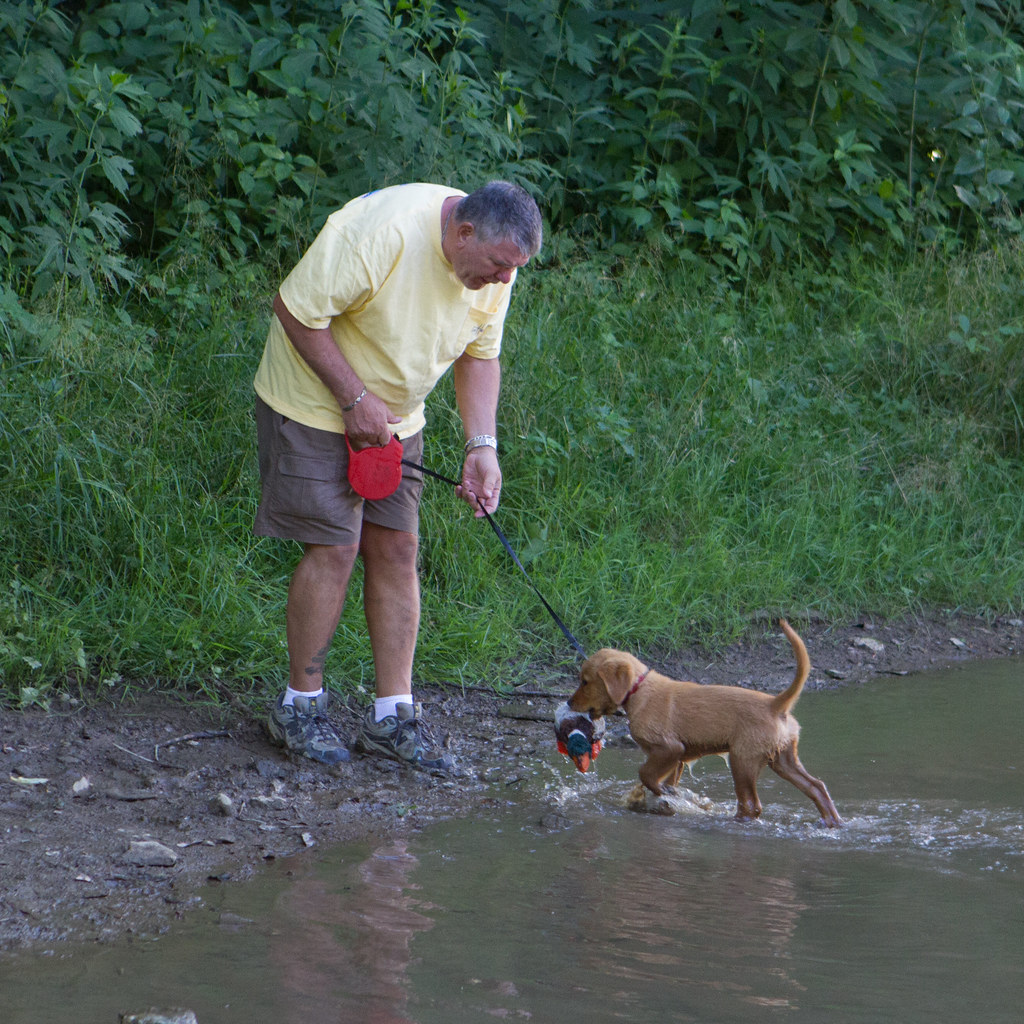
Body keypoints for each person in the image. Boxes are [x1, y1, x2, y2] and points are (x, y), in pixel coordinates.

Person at [253, 181, 543, 771]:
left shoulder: (492, 268)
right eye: (497, 266)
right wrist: (352, 397)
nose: (505, 281)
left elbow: (480, 356)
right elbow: (295, 310)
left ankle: (392, 718)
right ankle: (298, 707)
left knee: (398, 547)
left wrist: (481, 446)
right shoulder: (381, 233)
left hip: (396, 419)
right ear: (463, 234)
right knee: (336, 546)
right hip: (314, 401)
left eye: (514, 269)